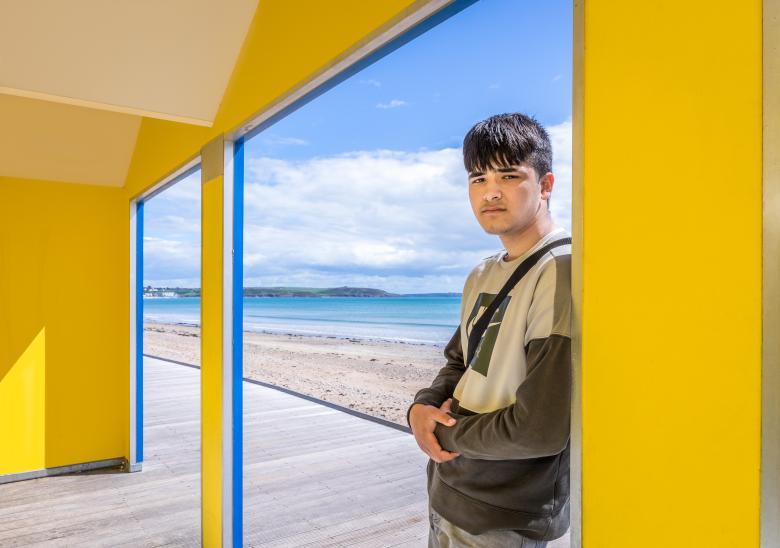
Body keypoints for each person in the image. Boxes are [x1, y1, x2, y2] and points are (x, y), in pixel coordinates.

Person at [407, 112, 572, 547]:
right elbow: (460, 362)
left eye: (510, 175)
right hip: (448, 489)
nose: (490, 191)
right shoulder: (481, 273)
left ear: (546, 185)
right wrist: (421, 407)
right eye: (477, 178)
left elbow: (540, 428)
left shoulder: (562, 269)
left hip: (505, 515)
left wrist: (439, 431)